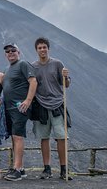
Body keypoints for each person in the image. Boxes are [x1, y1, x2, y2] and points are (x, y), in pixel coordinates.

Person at [32, 37, 71, 180]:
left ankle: (63, 169)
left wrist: (66, 77)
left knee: (61, 137)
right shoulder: (33, 66)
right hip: (41, 104)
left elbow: (66, 85)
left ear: (48, 48)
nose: (42, 50)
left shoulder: (57, 64)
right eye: (39, 48)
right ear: (36, 50)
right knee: (44, 137)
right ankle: (47, 169)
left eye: (44, 47)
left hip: (57, 103)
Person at [2, 43, 37, 181]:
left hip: (20, 107)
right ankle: (20, 168)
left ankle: (16, 170)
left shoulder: (23, 64)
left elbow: (33, 81)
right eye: (7, 51)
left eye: (13, 50)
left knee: (18, 136)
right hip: (9, 108)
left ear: (19, 52)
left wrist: (28, 101)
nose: (10, 53)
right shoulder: (7, 68)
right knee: (14, 137)